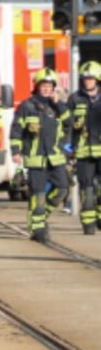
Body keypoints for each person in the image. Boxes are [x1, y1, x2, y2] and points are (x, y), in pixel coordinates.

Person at [10, 67, 71, 243]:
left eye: (49, 86)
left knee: (62, 189)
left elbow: (70, 123)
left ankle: (41, 216)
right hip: (35, 158)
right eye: (43, 85)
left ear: (54, 87)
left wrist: (59, 104)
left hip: (55, 157)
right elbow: (16, 131)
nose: (46, 89)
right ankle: (37, 228)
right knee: (37, 194)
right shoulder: (27, 106)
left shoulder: (58, 106)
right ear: (36, 86)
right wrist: (16, 151)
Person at [67, 61, 101, 234]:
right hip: (82, 152)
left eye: (91, 78)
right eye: (85, 79)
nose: (88, 81)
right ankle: (88, 224)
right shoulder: (75, 98)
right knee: (86, 188)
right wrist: (67, 148)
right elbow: (66, 124)